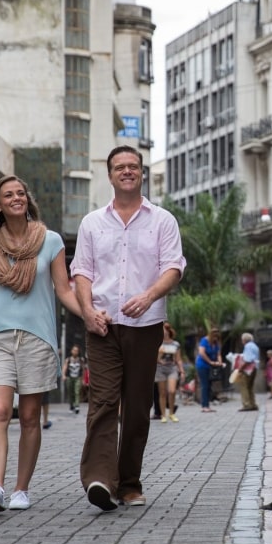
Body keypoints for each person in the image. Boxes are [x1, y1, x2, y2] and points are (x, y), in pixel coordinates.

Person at [71, 145, 186, 511]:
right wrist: (87, 311)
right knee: (103, 402)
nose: (126, 171)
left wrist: (149, 296)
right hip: (102, 325)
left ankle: (130, 484)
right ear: (110, 175)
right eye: (119, 167)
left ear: (141, 173)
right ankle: (101, 481)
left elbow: (174, 267)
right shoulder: (92, 222)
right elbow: (82, 271)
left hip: (144, 324)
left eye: (132, 166)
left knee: (137, 407)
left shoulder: (162, 220)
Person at [0, 174, 86, 513]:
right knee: (0, 412)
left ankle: (21, 489)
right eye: (9, 194)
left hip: (37, 338)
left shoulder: (50, 241)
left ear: (26, 200)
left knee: (31, 416)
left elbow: (64, 290)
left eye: (21, 192)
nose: (16, 197)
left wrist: (89, 314)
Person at [155, 322, 184, 422]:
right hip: (160, 369)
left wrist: (182, 371)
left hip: (172, 368)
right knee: (162, 393)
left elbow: (178, 359)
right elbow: (155, 360)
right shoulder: (157, 343)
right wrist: (159, 354)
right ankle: (163, 415)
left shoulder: (175, 344)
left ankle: (171, 413)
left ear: (168, 331)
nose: (164, 332)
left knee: (172, 391)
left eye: (165, 330)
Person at [195, 327, 225, 412]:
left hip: (211, 367)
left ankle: (207, 404)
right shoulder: (204, 341)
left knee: (209, 386)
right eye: (214, 337)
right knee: (205, 385)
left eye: (217, 338)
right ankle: (204, 406)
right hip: (202, 365)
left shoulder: (216, 343)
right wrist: (210, 361)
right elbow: (201, 353)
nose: (215, 339)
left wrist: (219, 362)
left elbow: (218, 354)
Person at [237, 332, 260, 411]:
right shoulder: (255, 346)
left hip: (248, 369)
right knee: (250, 387)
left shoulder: (247, 346)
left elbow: (247, 360)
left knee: (244, 386)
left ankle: (246, 404)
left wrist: (241, 368)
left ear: (244, 340)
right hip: (255, 368)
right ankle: (253, 403)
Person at [62, 345, 86, 413]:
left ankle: (77, 406)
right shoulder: (68, 359)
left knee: (77, 391)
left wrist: (83, 379)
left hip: (78, 378)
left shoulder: (81, 360)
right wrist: (63, 375)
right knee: (70, 392)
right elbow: (65, 367)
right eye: (74, 350)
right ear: (71, 351)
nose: (75, 352)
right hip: (70, 378)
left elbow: (83, 369)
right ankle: (71, 405)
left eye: (77, 350)